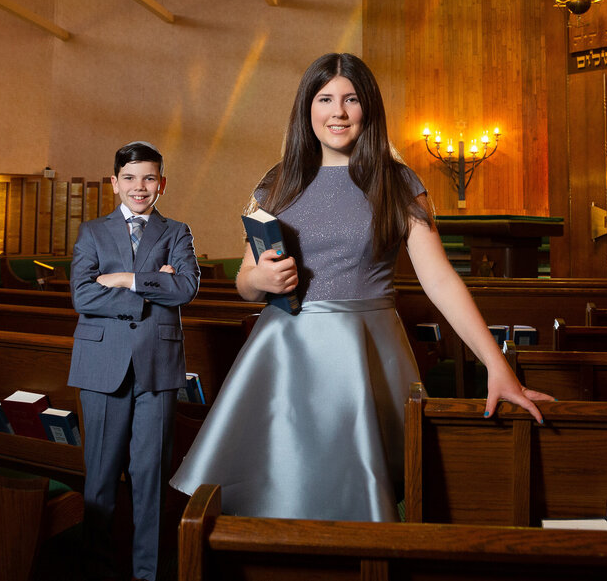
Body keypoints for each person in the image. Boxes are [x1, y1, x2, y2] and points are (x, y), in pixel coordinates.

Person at [170, 53, 548, 521]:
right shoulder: (275, 181)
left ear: (368, 107)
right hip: (284, 350)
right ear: (307, 108)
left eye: (351, 99)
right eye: (325, 98)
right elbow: (246, 281)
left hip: (365, 349)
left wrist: (496, 364)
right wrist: (259, 279)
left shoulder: (397, 180)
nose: (338, 112)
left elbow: (440, 280)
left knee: (363, 496)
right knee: (282, 490)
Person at [68, 141, 200, 580]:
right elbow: (82, 294)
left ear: (161, 184)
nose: (139, 187)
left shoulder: (177, 232)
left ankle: (149, 574)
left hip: (157, 366)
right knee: (101, 480)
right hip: (102, 365)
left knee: (150, 480)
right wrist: (151, 287)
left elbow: (184, 289)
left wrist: (126, 279)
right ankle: (96, 570)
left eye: (148, 178)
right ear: (114, 183)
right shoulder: (92, 231)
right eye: (129, 178)